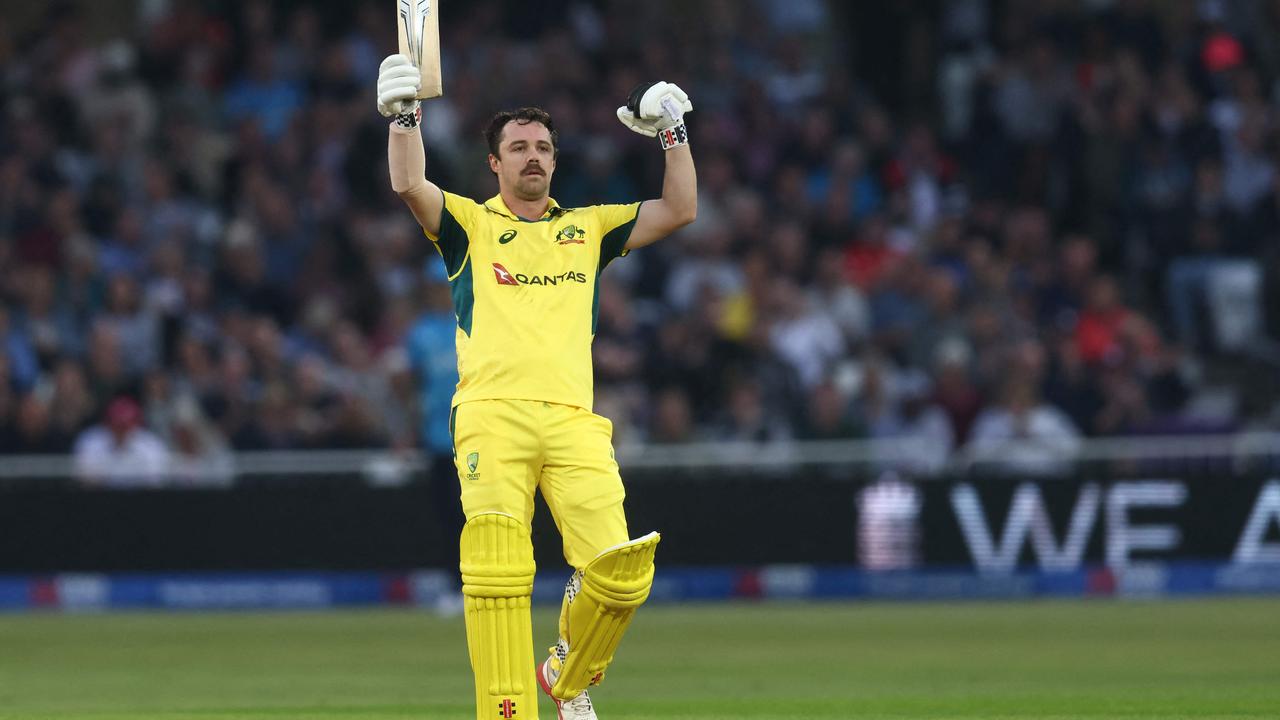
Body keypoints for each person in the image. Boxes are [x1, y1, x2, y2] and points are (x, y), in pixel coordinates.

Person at [378, 54, 697, 720]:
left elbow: (680, 209)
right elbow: (410, 183)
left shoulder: (590, 228)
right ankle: (507, 713)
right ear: (493, 163)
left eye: (543, 148)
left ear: (554, 162)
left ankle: (564, 673)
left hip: (574, 419)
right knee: (497, 571)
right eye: (518, 147)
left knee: (621, 572)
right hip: (492, 415)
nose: (533, 156)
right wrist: (405, 117)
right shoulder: (470, 225)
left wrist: (672, 132)